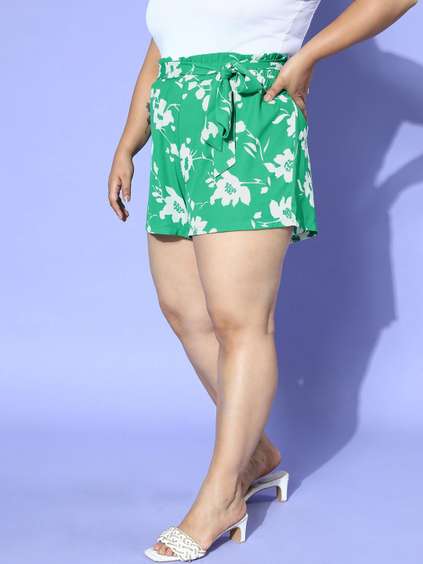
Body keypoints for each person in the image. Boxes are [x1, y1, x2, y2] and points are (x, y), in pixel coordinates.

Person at [107, 0, 418, 560]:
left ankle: (223, 497)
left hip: (249, 120)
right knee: (184, 311)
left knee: (240, 322)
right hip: (178, 129)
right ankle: (257, 456)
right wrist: (130, 141)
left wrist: (311, 54)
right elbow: (165, 42)